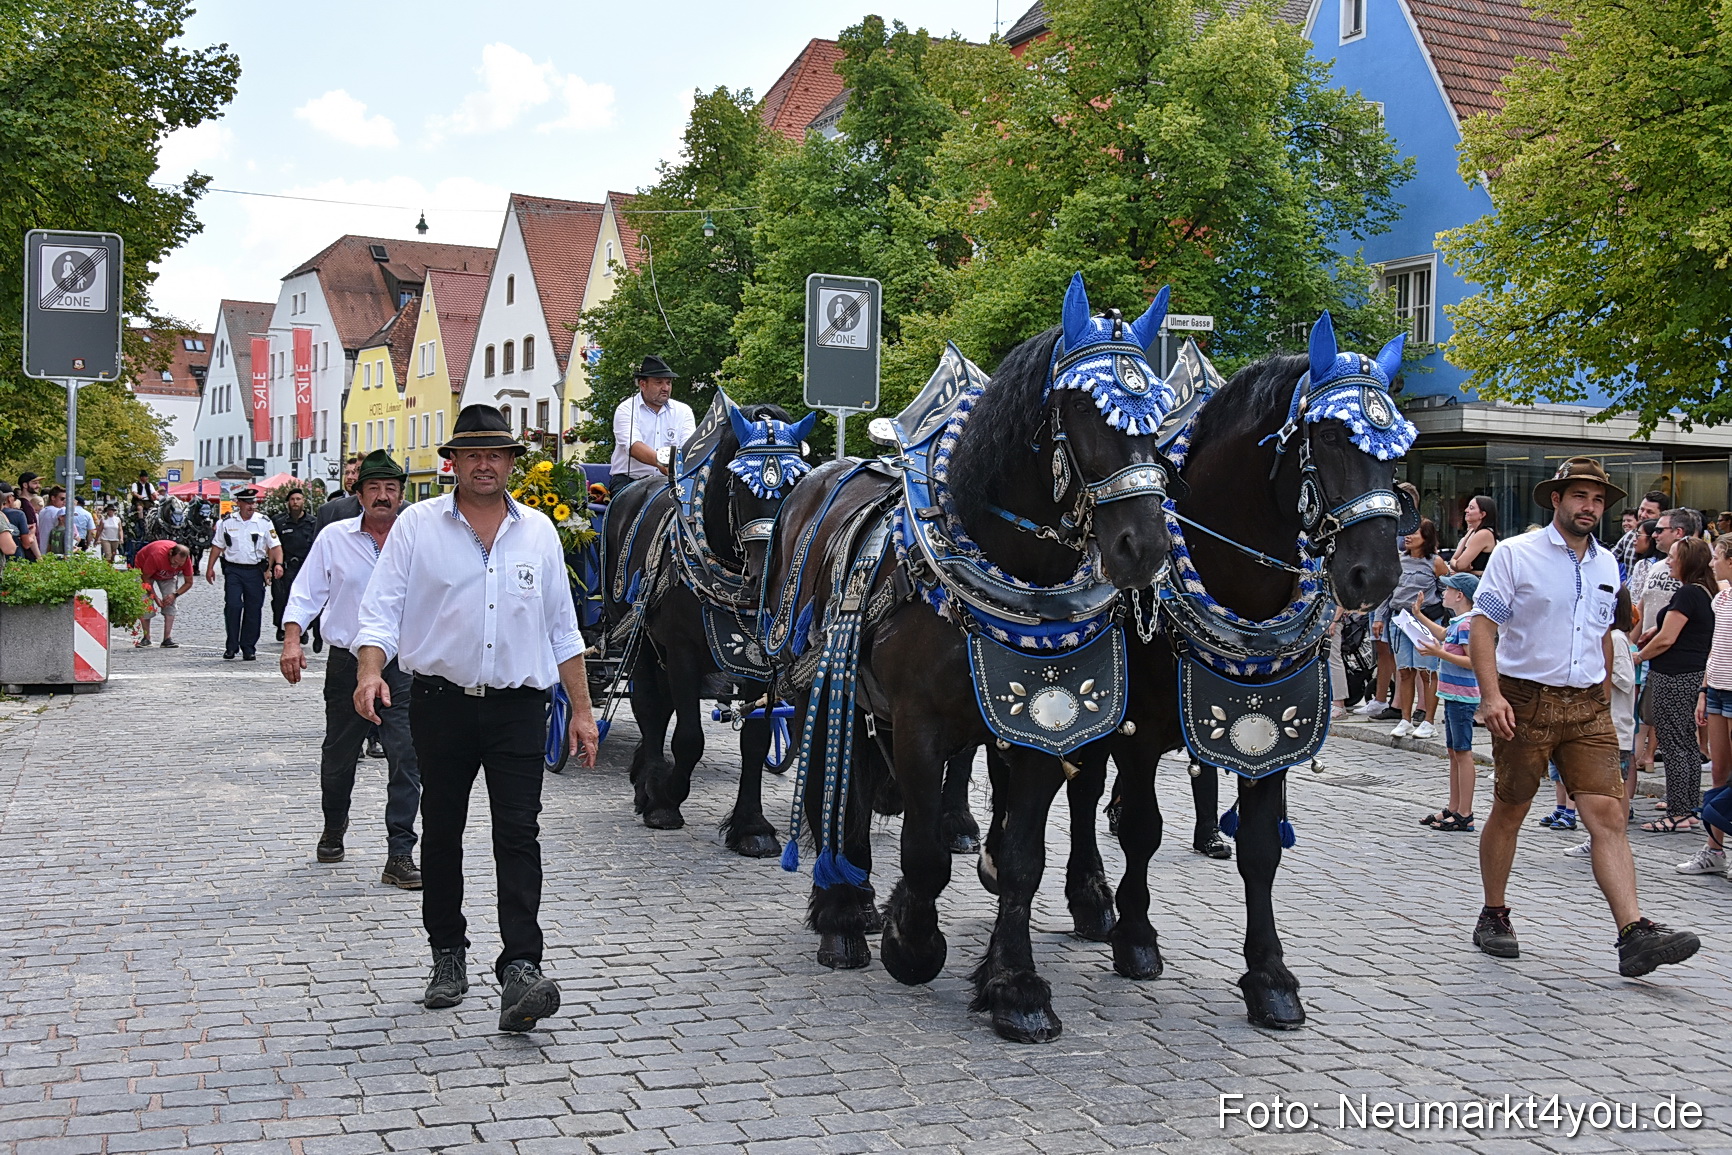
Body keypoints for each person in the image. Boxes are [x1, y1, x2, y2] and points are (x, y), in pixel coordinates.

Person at [353, 404, 600, 1033]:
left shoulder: (539, 532)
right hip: (441, 703)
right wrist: (370, 671)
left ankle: (520, 967)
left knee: (519, 834)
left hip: (519, 707)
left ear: (512, 463)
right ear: (454, 463)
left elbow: (562, 628)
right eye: (472, 454)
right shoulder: (417, 526)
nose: (484, 464)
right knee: (442, 832)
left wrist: (582, 710)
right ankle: (447, 954)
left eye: (495, 454)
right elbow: (380, 609)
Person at [1469, 457, 1700, 977]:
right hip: (1524, 700)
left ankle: (1633, 933)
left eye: (1597, 500)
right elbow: (1483, 626)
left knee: (1608, 816)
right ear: (1556, 499)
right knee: (1511, 809)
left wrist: (1606, 691)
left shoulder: (1606, 565)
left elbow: (1603, 632)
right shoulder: (1516, 553)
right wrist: (1491, 696)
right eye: (1579, 496)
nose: (1589, 507)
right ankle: (1493, 913)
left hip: (1587, 706)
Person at [282, 450, 423, 889]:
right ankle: (334, 825)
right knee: (340, 754)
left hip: (404, 664)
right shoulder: (335, 538)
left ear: (401, 494)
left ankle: (400, 852)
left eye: (391, 489)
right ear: (358, 494)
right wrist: (292, 640)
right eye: (373, 488)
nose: (382, 496)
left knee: (406, 756)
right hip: (348, 661)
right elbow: (306, 592)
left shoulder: (418, 538)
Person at [1633, 535, 1716, 833]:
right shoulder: (1703, 591)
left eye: (1673, 557)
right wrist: (1656, 628)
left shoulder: (1688, 593)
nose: (1668, 561)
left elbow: (1667, 639)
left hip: (1675, 676)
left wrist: (1638, 657)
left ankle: (1678, 812)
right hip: (1690, 674)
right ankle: (1688, 808)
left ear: (1687, 561)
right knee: (1685, 744)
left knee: (1674, 745)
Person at [1416, 573, 1480, 831]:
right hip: (1452, 694)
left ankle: (1465, 812)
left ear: (1460, 595)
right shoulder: (1458, 623)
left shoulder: (1467, 625)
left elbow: (1472, 661)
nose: (1444, 593)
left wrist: (1439, 653)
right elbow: (1443, 634)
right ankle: (1454, 807)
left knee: (1463, 753)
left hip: (1463, 696)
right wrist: (1418, 615)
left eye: (1448, 589)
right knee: (1454, 752)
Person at [1385, 517, 1449, 740]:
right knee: (1404, 670)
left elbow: (1446, 591)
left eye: (1415, 532)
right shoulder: (1398, 560)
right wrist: (1379, 618)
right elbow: (1388, 591)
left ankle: (1428, 721)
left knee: (1426, 670)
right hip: (1400, 619)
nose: (1408, 537)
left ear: (1426, 537)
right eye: (1408, 532)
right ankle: (1405, 719)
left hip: (1426, 620)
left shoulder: (1435, 563)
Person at [205, 487, 283, 661]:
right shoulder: (227, 522)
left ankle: (248, 646)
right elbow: (217, 545)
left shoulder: (264, 522)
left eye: (253, 502)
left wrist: (277, 565)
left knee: (253, 608)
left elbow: (275, 546)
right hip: (234, 570)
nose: (251, 506)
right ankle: (231, 645)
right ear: (238, 503)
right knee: (233, 606)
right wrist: (210, 567)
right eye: (247, 503)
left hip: (255, 570)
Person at [608, 355, 695, 498]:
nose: (665, 388)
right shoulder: (626, 409)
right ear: (643, 385)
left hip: (670, 482)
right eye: (659, 382)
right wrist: (662, 463)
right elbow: (634, 446)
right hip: (630, 481)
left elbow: (689, 448)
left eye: (668, 382)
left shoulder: (683, 411)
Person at [272, 489, 317, 642]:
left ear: (304, 501)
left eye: (298, 499)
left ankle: (302, 629)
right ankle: (281, 627)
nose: (295, 502)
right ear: (288, 502)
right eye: (292, 499)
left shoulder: (313, 522)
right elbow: (273, 545)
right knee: (281, 599)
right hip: (285, 567)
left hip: (305, 567)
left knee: (303, 599)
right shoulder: (279, 522)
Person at [133, 539, 195, 648]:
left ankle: (167, 638)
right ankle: (146, 638)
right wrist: (155, 597)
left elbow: (189, 582)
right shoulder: (157, 556)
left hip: (167, 575)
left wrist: (175, 595)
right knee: (145, 602)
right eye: (174, 562)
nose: (176, 566)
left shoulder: (185, 560)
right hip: (145, 570)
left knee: (170, 602)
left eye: (180, 565)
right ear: (170, 554)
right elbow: (146, 579)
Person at [1613, 490, 1666, 573]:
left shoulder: (1667, 539)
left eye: (1650, 512)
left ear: (1662, 515)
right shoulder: (1629, 536)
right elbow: (1610, 559)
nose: (1643, 515)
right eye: (1641, 509)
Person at [1449, 495, 1499, 576]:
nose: (1466, 510)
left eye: (1471, 508)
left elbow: (1459, 565)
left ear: (1482, 514)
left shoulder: (1484, 534)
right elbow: (1454, 561)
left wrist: (1458, 566)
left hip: (1476, 581)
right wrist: (1456, 564)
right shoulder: (1471, 532)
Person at [315, 456, 364, 534]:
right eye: (347, 473)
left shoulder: (372, 508)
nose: (349, 477)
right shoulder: (327, 510)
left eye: (353, 472)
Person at [35, 486, 69, 553]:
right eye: (62, 499)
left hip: (40, 548)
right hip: (52, 550)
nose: (64, 502)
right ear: (53, 498)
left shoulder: (43, 511)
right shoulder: (58, 512)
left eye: (66, 499)